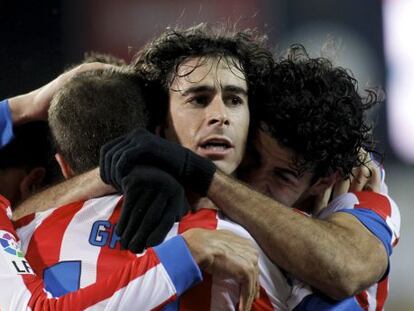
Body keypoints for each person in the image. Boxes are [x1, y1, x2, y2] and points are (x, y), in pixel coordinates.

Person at [100, 45, 400, 310]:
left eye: (282, 176)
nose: (253, 184)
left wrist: (202, 174)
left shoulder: (360, 196)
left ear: (323, 181)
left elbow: (346, 270)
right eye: (253, 158)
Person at [0, 66, 261, 310]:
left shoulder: (21, 230)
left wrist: (23, 107)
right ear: (156, 134)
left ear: (63, 165)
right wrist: (183, 255)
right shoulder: (239, 245)